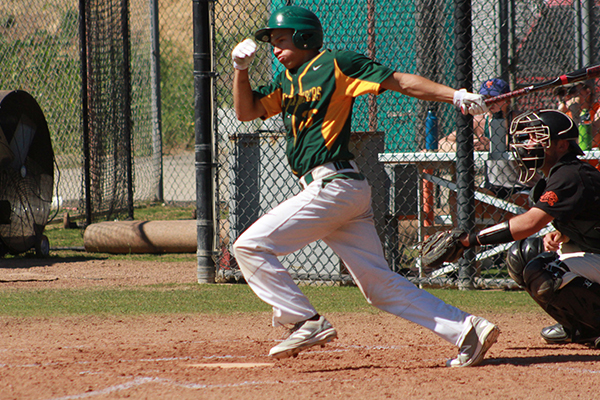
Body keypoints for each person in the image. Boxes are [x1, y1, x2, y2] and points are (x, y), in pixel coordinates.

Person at [230, 5, 498, 367]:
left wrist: (454, 95)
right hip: (339, 191)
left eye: (281, 39)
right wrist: (240, 71)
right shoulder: (285, 80)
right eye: (272, 42)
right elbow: (246, 112)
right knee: (378, 286)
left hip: (333, 184)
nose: (275, 48)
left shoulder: (335, 64)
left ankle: (303, 321)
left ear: (305, 37)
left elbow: (399, 81)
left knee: (249, 245)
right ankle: (468, 330)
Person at [450, 109, 600, 347]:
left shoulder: (572, 174)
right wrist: (563, 233)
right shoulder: (559, 175)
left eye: (536, 139)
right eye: (524, 138)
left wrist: (470, 240)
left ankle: (593, 326)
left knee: (545, 270)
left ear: (562, 145)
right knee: (523, 255)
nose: (526, 145)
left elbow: (529, 223)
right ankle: (580, 326)